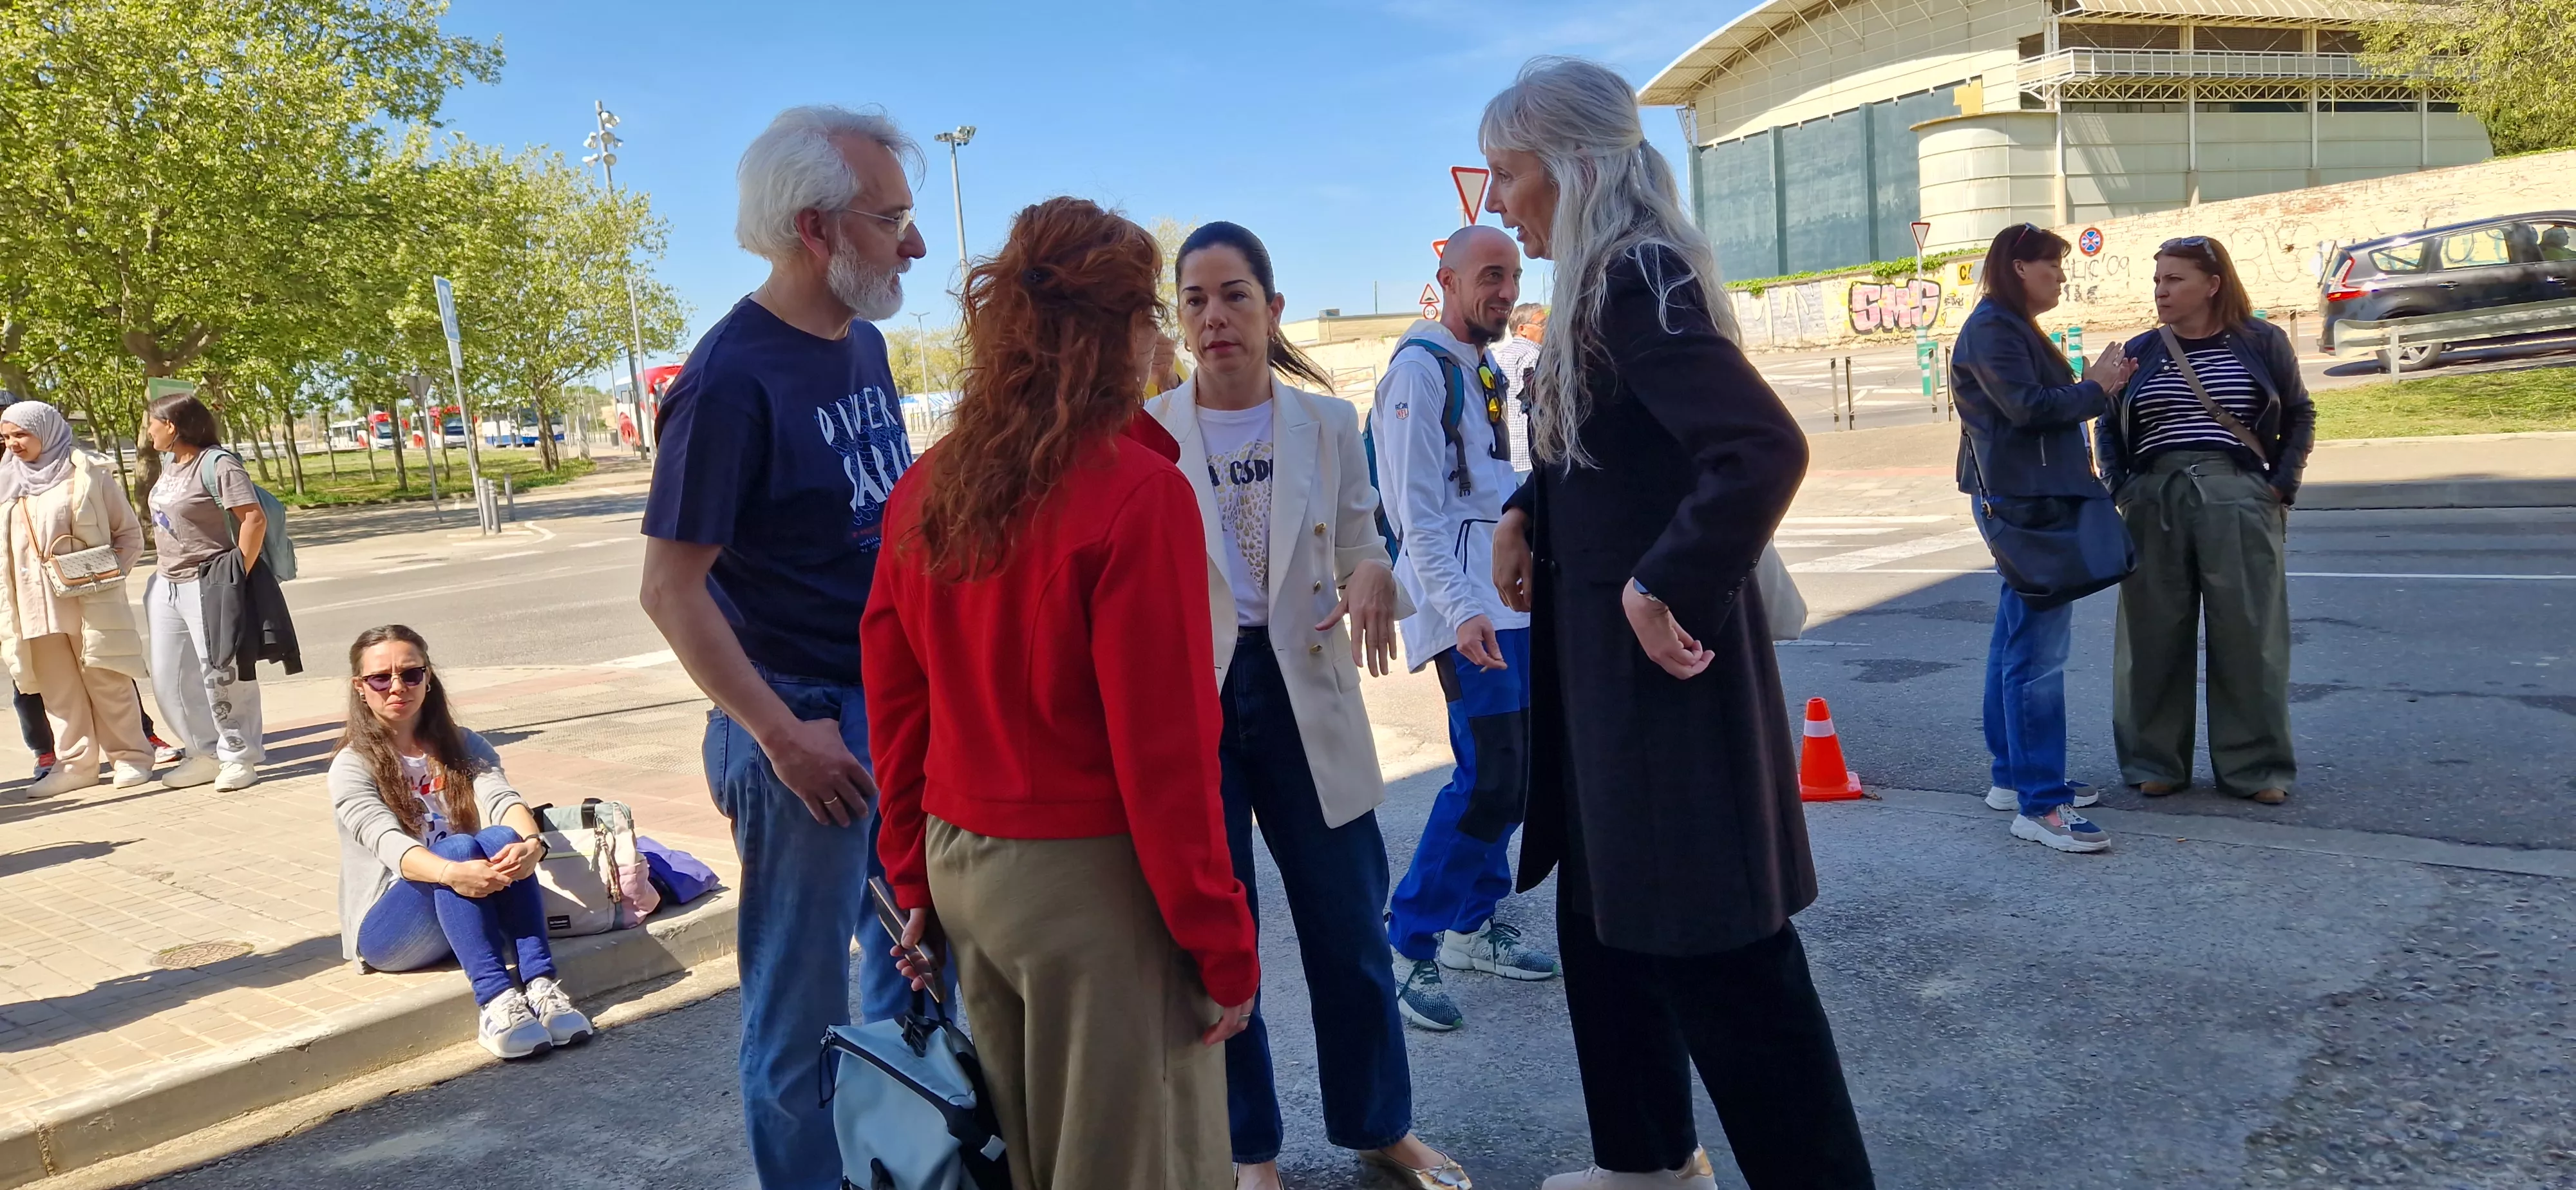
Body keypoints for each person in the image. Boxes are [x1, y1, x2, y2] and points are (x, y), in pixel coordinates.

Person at [1481, 58, 1874, 1189]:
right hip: (1614, 694)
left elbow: (1758, 448)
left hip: (1662, 693)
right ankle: (1647, 1161)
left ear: (1572, 165)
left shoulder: (1631, 277)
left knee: (1726, 961)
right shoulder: (1610, 277)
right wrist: (1522, 509)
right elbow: (1624, 445)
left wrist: (1662, 584)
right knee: (1606, 927)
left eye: (1509, 174)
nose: (1499, 200)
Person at [867, 196, 1257, 1190]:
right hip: (1090, 879)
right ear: (1119, 332)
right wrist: (1222, 943)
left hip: (965, 867)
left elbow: (896, 702)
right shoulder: (1136, 496)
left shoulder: (928, 489)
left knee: (1026, 1152)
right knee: (1136, 1160)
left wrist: (910, 875)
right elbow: (1166, 755)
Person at [636, 104, 934, 1190]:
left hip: (888, 716)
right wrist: (780, 736)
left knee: (916, 972)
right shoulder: (727, 382)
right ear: (817, 229)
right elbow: (669, 589)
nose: (916, 244)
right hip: (801, 729)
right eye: (892, 219)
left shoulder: (863, 342)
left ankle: (910, 1166)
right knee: (799, 1013)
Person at [1146, 222, 1470, 1190]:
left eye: (1234, 295)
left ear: (1272, 308)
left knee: (1348, 930)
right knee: (1217, 939)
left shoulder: (1326, 426)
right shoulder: (1149, 432)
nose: (1214, 317)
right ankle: (1250, 1152)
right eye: (1195, 300)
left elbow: (1369, 543)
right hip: (1196, 704)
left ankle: (1380, 1126)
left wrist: (1375, 577)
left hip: (1306, 689)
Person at [1377, 225, 1560, 1039]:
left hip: (1504, 597)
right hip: (1465, 606)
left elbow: (1488, 489)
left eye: (1512, 276)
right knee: (1491, 774)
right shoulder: (1417, 373)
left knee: (1512, 776)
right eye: (1489, 275)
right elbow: (1416, 515)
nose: (1504, 291)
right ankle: (1406, 937)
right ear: (1445, 280)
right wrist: (1461, 611)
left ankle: (1470, 927)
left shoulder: (1480, 365)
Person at [2097, 235, 2313, 806]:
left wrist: (2279, 485)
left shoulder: (2262, 343)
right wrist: (2122, 486)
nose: (2161, 291)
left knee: (2249, 634)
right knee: (2152, 635)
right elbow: (2107, 420)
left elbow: (2299, 412)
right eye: (2158, 279)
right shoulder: (2142, 349)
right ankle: (2154, 760)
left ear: (2212, 284)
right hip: (2153, 495)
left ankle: (2256, 767)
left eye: (2175, 279)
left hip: (2238, 491)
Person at [1950, 224, 2136, 853]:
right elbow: (2027, 408)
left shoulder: (2005, 325)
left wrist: (2087, 384)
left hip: (2020, 495)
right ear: (2018, 266)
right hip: (2022, 502)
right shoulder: (1994, 328)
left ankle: (2015, 777)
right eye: (2051, 265)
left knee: (2017, 640)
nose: (2061, 276)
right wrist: (2097, 386)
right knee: (2037, 657)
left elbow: (2031, 402)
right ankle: (2040, 804)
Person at [329, 624, 592, 1059]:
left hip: (466, 895)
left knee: (504, 837)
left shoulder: (461, 745)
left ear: (428, 678)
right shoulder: (351, 765)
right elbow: (388, 843)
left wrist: (532, 846)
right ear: (360, 687)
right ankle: (495, 1003)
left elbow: (503, 798)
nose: (397, 687)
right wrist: (453, 872)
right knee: (455, 849)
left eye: (411, 674)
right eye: (381, 678)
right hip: (390, 928)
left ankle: (542, 988)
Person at [0, 401, 152, 797]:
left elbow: (129, 536)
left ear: (46, 431)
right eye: (6, 437)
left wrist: (109, 579)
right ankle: (75, 765)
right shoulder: (6, 482)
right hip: (32, 607)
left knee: (107, 679)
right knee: (58, 691)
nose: (13, 444)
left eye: (21, 435)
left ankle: (132, 757)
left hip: (87, 601)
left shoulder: (85, 475)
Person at [141, 393, 271, 792]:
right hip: (166, 582)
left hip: (208, 580)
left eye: (152, 424)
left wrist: (235, 574)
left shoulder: (218, 464)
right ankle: (202, 753)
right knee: (170, 677)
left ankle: (239, 756)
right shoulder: (170, 463)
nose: (148, 432)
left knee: (222, 673)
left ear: (173, 426)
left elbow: (253, 518)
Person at [1491, 302, 1546, 473]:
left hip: (1508, 451)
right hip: (1532, 451)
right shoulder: (1535, 357)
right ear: (1522, 329)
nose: (1548, 327)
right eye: (1542, 323)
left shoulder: (1499, 357)